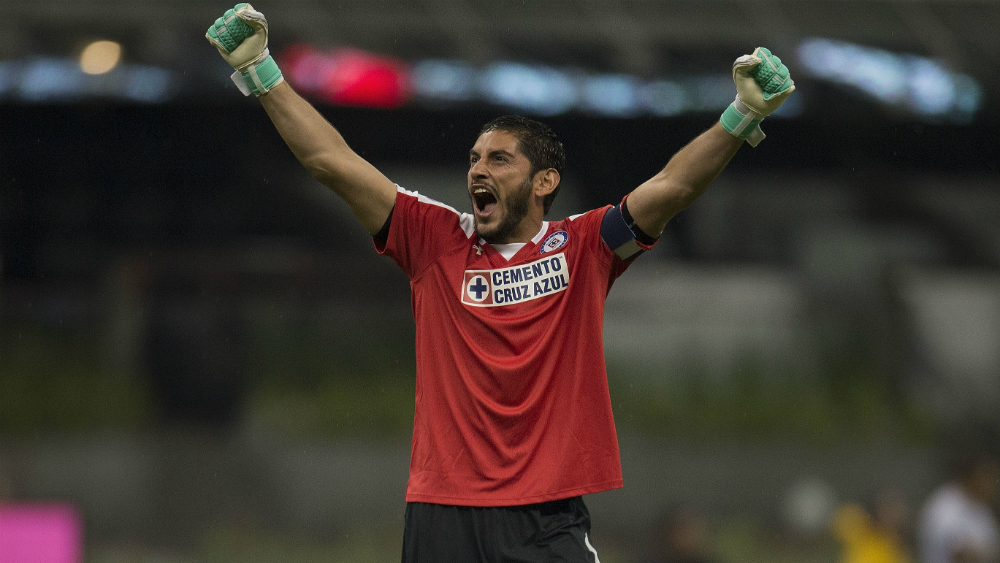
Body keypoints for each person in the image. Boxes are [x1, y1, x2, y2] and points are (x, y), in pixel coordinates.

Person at [206, 4, 794, 562]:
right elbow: (331, 161)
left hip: (545, 517)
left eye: (499, 159)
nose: (478, 170)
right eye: (473, 158)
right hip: (443, 513)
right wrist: (261, 71)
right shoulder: (433, 238)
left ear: (545, 181)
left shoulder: (585, 246)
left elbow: (672, 188)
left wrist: (741, 116)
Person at [919, 453, 1000, 563]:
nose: (993, 485)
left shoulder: (983, 510)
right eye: (988, 477)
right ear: (974, 476)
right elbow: (960, 555)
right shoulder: (945, 505)